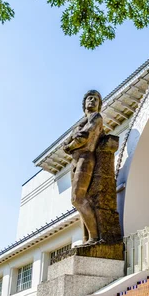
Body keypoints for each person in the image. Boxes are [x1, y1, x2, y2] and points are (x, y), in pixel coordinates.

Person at [63, 90, 104, 244]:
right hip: (74, 161)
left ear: (99, 105)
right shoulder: (80, 123)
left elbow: (84, 137)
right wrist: (71, 143)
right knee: (80, 201)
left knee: (77, 198)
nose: (92, 101)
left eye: (95, 99)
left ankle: (94, 237)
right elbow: (65, 144)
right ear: (84, 103)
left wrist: (71, 145)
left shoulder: (96, 118)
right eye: (89, 98)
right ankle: (86, 238)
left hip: (86, 158)